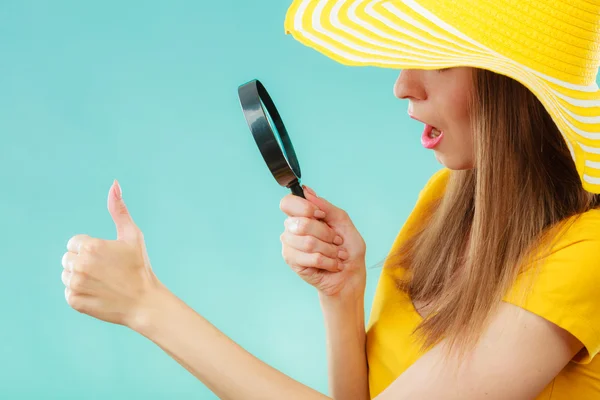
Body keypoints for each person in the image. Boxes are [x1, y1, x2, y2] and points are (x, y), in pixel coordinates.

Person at [60, 0, 600, 399]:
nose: (402, 86)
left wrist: (146, 304)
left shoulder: (588, 255)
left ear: (514, 90)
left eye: (437, 60)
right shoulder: (448, 199)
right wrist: (343, 296)